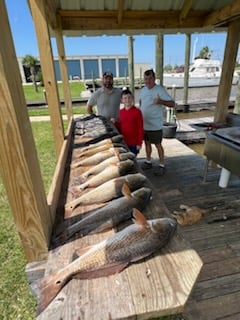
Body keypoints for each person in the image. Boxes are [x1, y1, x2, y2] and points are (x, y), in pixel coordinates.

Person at [139, 69, 175, 174]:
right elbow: (141, 102)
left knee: (158, 144)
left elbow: (172, 103)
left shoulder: (160, 89)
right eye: (146, 79)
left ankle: (162, 165)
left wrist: (160, 101)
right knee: (147, 143)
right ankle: (148, 161)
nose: (148, 81)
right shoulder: (143, 90)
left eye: (150, 78)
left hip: (155, 125)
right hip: (145, 124)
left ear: (154, 78)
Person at [116, 88, 144, 156]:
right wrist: (114, 123)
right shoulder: (120, 112)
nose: (127, 100)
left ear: (132, 99)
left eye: (129, 98)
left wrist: (139, 143)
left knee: (132, 160)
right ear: (122, 100)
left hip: (134, 143)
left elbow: (140, 129)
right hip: (123, 142)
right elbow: (121, 125)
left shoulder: (137, 112)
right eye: (125, 98)